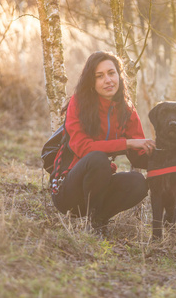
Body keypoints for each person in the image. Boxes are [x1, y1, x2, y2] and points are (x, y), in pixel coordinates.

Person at [51, 51, 155, 233]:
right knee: (98, 159)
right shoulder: (78, 103)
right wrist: (127, 143)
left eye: (111, 73)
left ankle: (98, 222)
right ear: (91, 81)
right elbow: (83, 148)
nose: (108, 80)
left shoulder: (126, 109)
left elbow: (139, 155)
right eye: (100, 76)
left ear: (119, 76)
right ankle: (90, 221)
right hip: (67, 191)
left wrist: (167, 156)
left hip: (98, 187)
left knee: (138, 182)